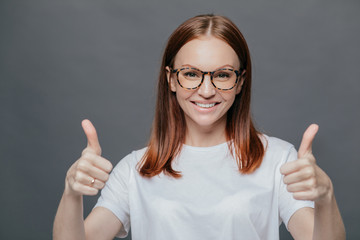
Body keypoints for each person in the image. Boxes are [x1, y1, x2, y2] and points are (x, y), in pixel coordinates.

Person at [53, 14, 345, 240]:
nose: (206, 90)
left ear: (240, 82)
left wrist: (326, 196)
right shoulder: (134, 169)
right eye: (191, 74)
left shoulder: (279, 160)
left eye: (222, 75)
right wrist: (71, 194)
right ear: (170, 79)